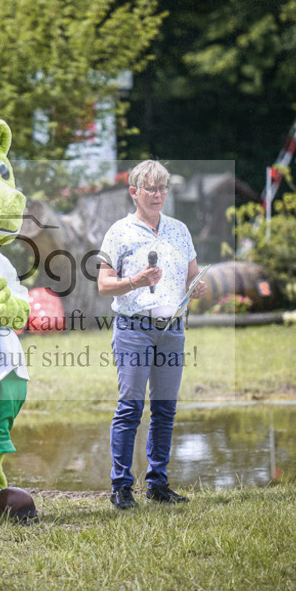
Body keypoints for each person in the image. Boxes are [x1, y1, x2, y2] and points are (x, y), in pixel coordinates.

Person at [96, 160, 206, 510]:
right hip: (134, 329)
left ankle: (158, 484)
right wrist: (135, 281)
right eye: (151, 189)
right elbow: (103, 285)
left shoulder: (179, 230)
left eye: (163, 188)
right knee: (130, 407)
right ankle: (121, 486)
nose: (158, 195)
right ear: (134, 193)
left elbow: (192, 276)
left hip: (172, 330)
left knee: (165, 409)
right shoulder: (119, 232)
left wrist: (197, 286)